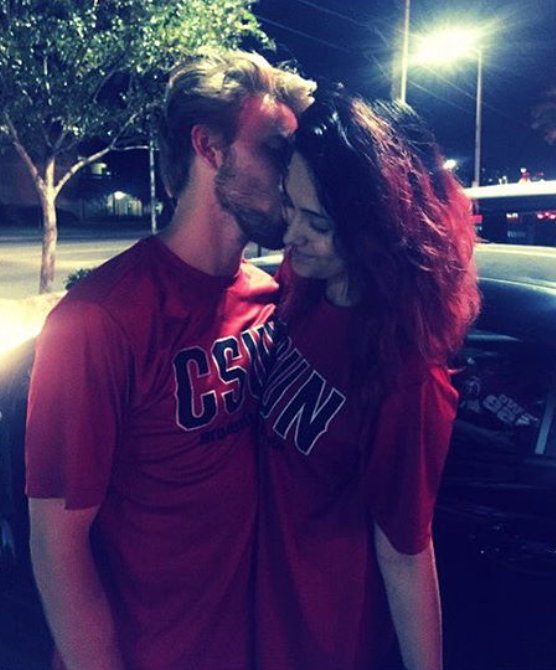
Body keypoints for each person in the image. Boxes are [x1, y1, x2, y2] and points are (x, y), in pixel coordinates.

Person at [25, 50, 315, 670]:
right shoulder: (98, 319)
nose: (293, 177)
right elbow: (56, 549)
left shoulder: (274, 299)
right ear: (209, 146)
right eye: (276, 150)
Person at [256, 91, 480, 670]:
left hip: (328, 642)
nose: (290, 235)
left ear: (377, 229)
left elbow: (405, 553)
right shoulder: (305, 288)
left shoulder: (407, 378)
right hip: (263, 614)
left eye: (317, 223)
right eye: (290, 206)